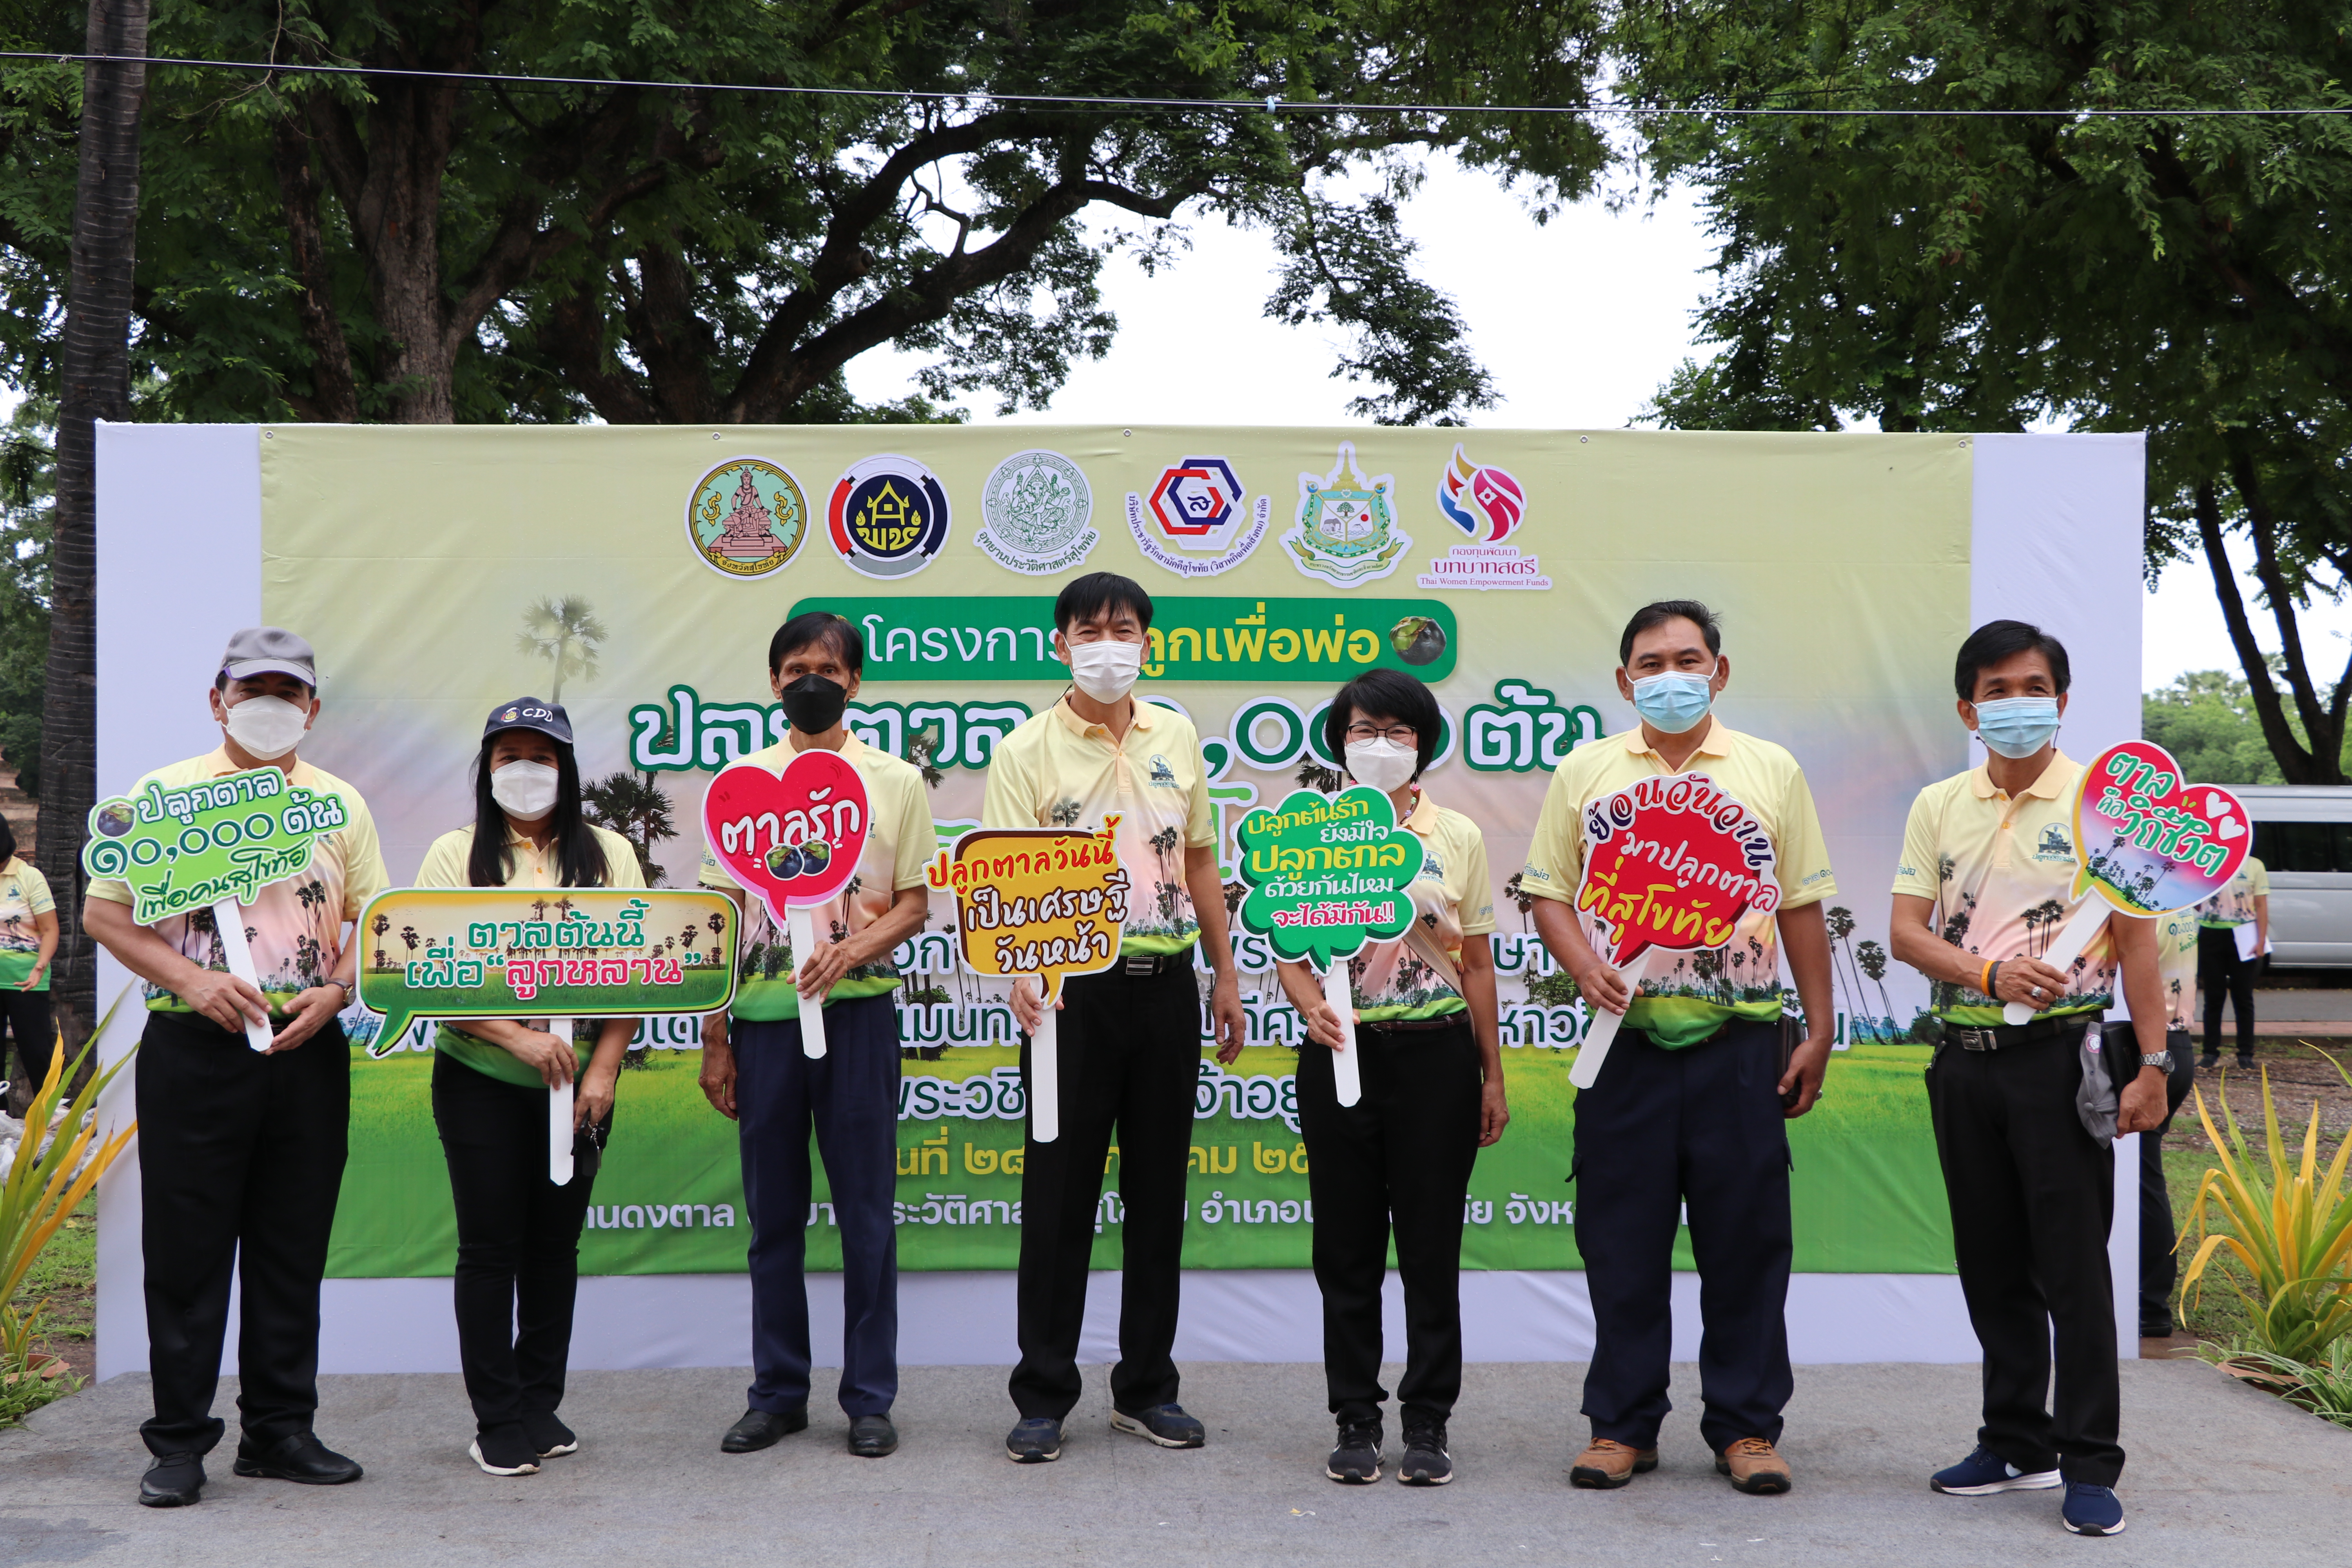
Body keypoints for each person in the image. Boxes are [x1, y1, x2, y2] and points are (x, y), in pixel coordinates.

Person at [1520, 599, 1836, 1497]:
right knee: (1620, 1243)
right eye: (1651, 664)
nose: (1670, 677)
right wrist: (1584, 964)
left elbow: (1801, 904)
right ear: (1625, 682)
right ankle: (1621, 1424)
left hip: (1741, 1044)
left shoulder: (1770, 770)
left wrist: (1819, 1029)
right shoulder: (1586, 771)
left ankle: (1746, 1426)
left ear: (1718, 672)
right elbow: (1547, 890)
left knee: (1747, 1242)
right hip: (1624, 1047)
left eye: (1687, 660)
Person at [84, 628, 387, 1508]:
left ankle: (280, 1431)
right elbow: (105, 915)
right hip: (195, 1050)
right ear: (217, 699)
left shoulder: (339, 803)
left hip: (306, 1047)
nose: (270, 706)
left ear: (313, 709)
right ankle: (179, 1440)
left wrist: (337, 992)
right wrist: (193, 979)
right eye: (252, 689)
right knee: (187, 1252)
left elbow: (375, 920)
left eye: (288, 693)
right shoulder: (164, 798)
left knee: (292, 1246)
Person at [1887, 619, 2170, 1539]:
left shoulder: (2105, 803)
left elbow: (2137, 944)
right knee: (1992, 1261)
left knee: (2074, 1269)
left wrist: (2154, 1064)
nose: (2018, 703)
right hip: (1963, 1061)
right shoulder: (1939, 804)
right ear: (1968, 708)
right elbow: (1906, 931)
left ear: (2063, 698)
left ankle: (2089, 1461)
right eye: (1998, 690)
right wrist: (1987, 973)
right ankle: (2015, 1440)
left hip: (2064, 1062)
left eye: (2035, 686)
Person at [984, 571, 1248, 1464]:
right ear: (1060, 643)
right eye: (1090, 630)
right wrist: (1022, 973)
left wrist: (1223, 973)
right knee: (1058, 1197)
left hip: (1166, 986)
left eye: (1124, 629)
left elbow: (1200, 860)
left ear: (1147, 642)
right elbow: (1004, 876)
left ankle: (1146, 1389)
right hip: (1070, 996)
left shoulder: (1176, 734)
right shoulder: (1024, 749)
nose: (1108, 644)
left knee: (1158, 1197)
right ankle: (1043, 1395)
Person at [697, 613, 934, 1461]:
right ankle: (777, 1393)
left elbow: (915, 902)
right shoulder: (739, 784)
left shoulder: (894, 781)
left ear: (854, 682)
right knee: (773, 1217)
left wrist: (850, 951)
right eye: (796, 667)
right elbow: (719, 918)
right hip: (763, 1028)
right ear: (774, 681)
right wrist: (715, 1036)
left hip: (860, 1020)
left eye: (828, 670)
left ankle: (869, 1398)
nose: (811, 681)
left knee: (867, 1213)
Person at [1275, 669, 1509, 1488]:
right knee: (1345, 1246)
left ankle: (1428, 1419)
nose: (1380, 744)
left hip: (1438, 1057)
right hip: (1341, 1057)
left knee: (1430, 1244)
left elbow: (1476, 963)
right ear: (1338, 740)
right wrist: (1310, 1005)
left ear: (1424, 743)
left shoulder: (1458, 835)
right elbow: (1285, 944)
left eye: (1398, 731)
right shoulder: (1308, 830)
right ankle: (1355, 1416)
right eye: (1363, 728)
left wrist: (1491, 1073)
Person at [413, 697, 641, 1477]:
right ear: (486, 767)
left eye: (541, 757)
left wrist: (603, 1070)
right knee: (490, 1248)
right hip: (479, 1076)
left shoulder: (609, 853)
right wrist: (517, 1036)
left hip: (580, 1087)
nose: (524, 769)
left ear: (566, 769)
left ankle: (540, 1402)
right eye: (508, 755)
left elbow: (639, 969)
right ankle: (497, 1416)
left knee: (554, 1246)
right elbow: (428, 971)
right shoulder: (455, 854)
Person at [2140, 906, 2199, 1344]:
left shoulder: (2137, 900)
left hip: (2148, 1045)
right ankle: (2149, 1303)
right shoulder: (2181, 896)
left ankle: (2148, 1303)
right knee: (2146, 1176)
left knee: (2140, 1180)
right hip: (2176, 1042)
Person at [0, 816, 57, 1101]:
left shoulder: (29, 876)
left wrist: (40, 968)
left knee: (37, 1052)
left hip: (26, 980)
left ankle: (50, 1113)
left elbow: (50, 930)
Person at [2196, 855, 2269, 1071]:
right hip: (2211, 933)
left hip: (2244, 934)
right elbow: (2195, 899)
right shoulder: (2208, 858)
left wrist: (2260, 941)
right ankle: (2210, 1052)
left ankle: (2245, 1053)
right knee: (2213, 996)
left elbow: (2261, 905)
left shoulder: (2255, 865)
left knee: (2243, 996)